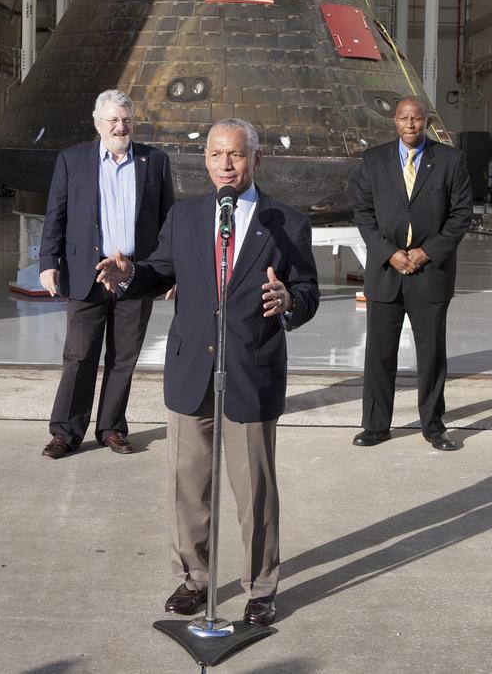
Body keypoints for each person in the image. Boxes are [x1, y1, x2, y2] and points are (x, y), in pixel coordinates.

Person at [95, 118, 319, 628]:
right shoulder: (186, 216)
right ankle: (194, 578)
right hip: (191, 368)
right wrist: (131, 274)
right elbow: (160, 270)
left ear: (256, 160)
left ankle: (260, 587)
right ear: (206, 161)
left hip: (250, 370)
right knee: (188, 484)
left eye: (235, 155)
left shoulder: (286, 222)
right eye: (216, 155)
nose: (224, 164)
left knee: (254, 489)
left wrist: (289, 301)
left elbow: (307, 291)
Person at [37, 89, 174, 459]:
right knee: (79, 355)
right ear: (98, 123)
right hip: (86, 272)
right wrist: (48, 261)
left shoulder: (155, 162)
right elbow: (56, 215)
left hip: (134, 274)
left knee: (123, 357)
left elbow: (168, 224)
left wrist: (170, 272)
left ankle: (112, 427)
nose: (120, 126)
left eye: (126, 119)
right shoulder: (73, 160)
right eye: (112, 119)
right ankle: (65, 432)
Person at [350, 97, 474, 452]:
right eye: (404, 118)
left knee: (432, 354)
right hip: (386, 273)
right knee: (378, 354)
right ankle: (375, 425)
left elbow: (461, 214)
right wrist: (389, 253)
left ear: (428, 122)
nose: (410, 124)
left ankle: (434, 426)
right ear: (394, 121)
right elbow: (363, 212)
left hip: (430, 272)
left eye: (417, 119)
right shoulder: (374, 161)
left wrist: (426, 252)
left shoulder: (450, 160)